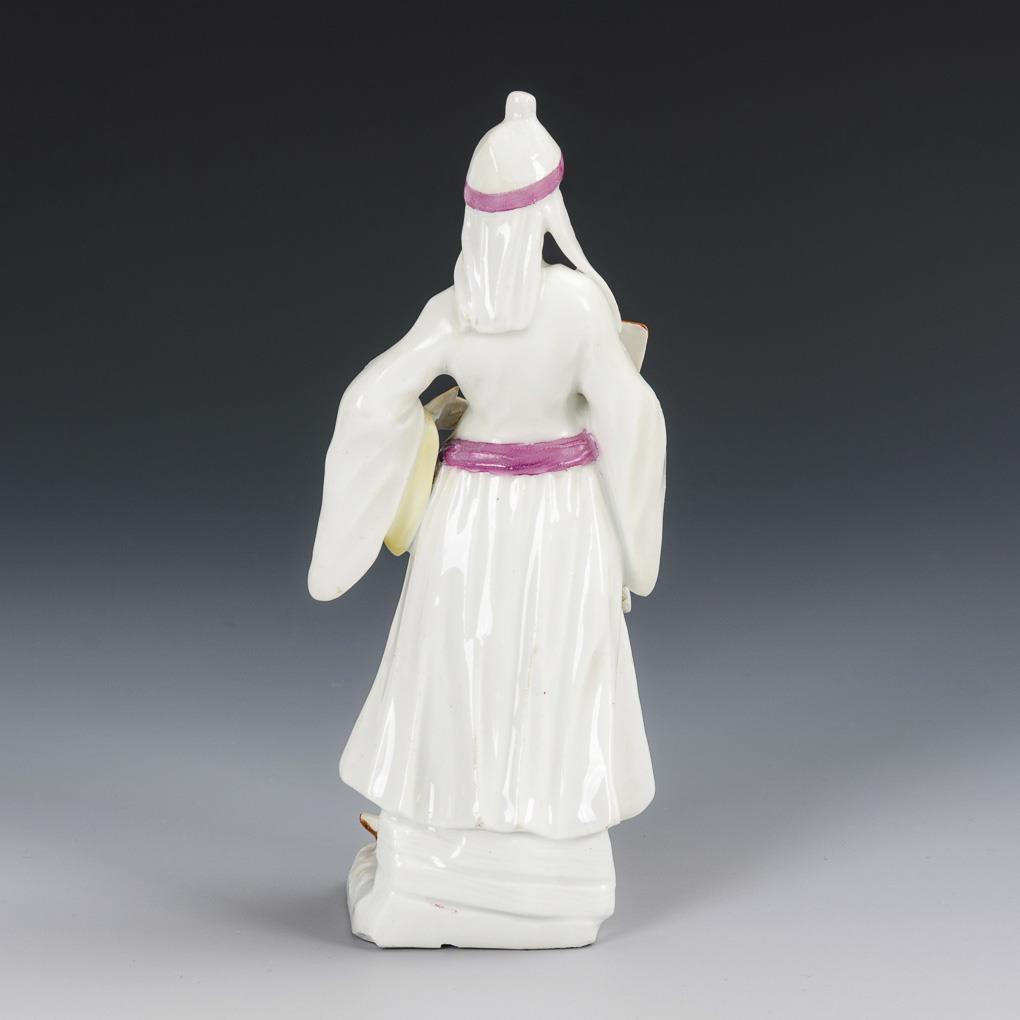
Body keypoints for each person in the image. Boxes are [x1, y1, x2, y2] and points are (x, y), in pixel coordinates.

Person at [309, 91, 666, 948]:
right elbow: (632, 417)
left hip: (467, 517)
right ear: (548, 210)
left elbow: (369, 398)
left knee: (456, 673)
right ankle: (543, 879)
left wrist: (404, 445)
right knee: (553, 674)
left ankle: (437, 865)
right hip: (562, 513)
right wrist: (634, 547)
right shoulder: (577, 305)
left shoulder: (452, 311)